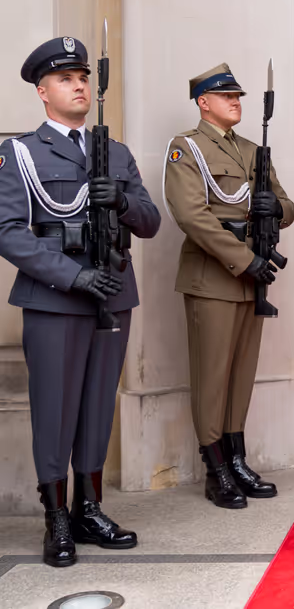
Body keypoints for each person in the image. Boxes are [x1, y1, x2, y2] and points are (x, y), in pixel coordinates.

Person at [0, 37, 161, 567]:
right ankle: (57, 517)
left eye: (84, 77)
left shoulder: (114, 152)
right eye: (66, 79)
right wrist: (72, 277)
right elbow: (8, 232)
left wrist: (125, 199)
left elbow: (151, 222)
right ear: (43, 91)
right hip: (56, 299)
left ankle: (91, 508)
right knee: (55, 408)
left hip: (113, 292)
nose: (79, 85)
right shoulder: (20, 152)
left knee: (97, 406)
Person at [163, 63, 294, 509]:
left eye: (238, 96)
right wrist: (246, 260)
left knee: (240, 376)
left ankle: (237, 458)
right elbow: (192, 216)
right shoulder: (187, 149)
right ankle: (215, 467)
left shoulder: (254, 150)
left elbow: (288, 205)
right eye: (226, 96)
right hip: (214, 278)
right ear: (204, 102)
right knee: (212, 377)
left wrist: (272, 208)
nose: (236, 101)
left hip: (250, 280)